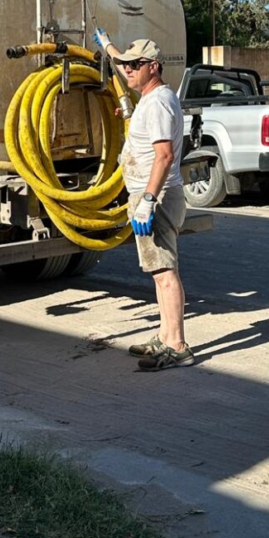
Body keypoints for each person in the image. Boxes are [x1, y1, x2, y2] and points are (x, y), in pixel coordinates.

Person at [95, 30, 194, 370]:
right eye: (125, 64)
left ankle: (177, 346)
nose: (128, 69)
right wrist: (107, 45)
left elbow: (164, 156)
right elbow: (119, 59)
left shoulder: (158, 103)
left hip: (158, 196)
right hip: (152, 194)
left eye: (135, 64)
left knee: (165, 272)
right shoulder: (152, 98)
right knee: (158, 272)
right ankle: (164, 336)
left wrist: (148, 200)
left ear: (153, 66)